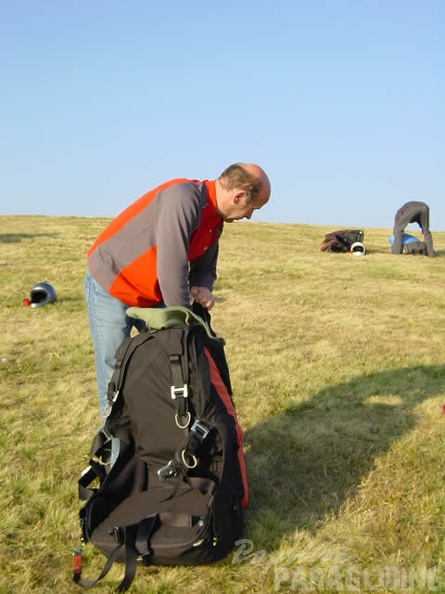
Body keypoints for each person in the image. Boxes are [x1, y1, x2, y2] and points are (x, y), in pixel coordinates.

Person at [84, 163, 271, 420]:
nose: (249, 216)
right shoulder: (184, 199)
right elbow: (171, 266)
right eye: (252, 208)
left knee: (170, 366)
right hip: (112, 284)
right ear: (238, 196)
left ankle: (161, 435)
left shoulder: (214, 221)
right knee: (115, 372)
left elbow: (205, 267)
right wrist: (182, 324)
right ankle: (114, 447)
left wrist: (203, 285)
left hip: (152, 294)